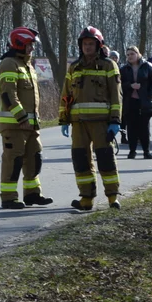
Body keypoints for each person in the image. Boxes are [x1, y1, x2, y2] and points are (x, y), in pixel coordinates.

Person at [59, 26, 122, 211]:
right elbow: (66, 94)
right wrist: (63, 118)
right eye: (85, 44)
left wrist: (115, 121)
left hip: (101, 123)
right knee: (80, 161)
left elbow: (116, 96)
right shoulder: (74, 67)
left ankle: (112, 197)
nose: (88, 47)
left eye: (91, 44)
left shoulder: (108, 65)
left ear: (98, 45)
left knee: (106, 159)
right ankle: (86, 199)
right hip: (79, 124)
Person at [0, 27, 52, 210]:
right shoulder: (8, 64)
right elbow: (8, 95)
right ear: (19, 44)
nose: (32, 49)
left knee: (34, 158)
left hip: (30, 125)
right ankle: (9, 197)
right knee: (14, 160)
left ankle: (32, 194)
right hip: (15, 125)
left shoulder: (26, 65)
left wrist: (32, 121)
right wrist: (21, 117)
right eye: (29, 45)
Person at [119, 45, 152, 159]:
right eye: (128, 55)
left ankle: (146, 151)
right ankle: (132, 151)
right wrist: (130, 86)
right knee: (131, 127)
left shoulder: (147, 66)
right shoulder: (124, 69)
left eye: (132, 54)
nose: (130, 56)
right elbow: (119, 84)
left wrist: (151, 94)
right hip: (130, 101)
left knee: (144, 127)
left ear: (138, 54)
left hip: (144, 101)